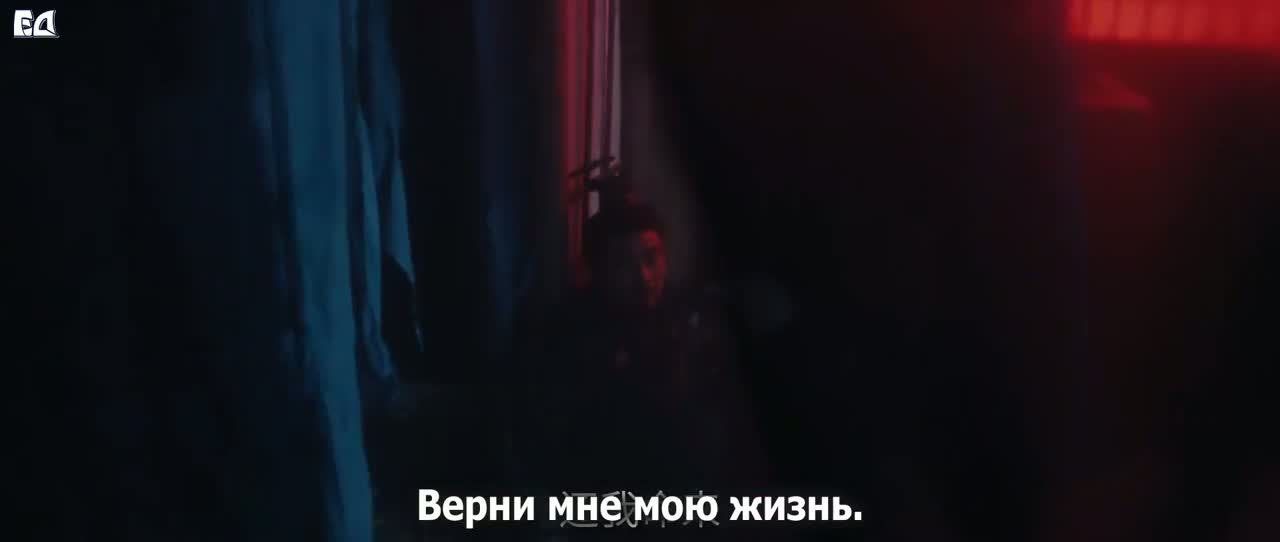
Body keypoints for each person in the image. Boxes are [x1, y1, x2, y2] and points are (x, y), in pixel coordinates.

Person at [524, 199, 765, 509]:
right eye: (623, 264)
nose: (644, 276)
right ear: (597, 269)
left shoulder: (690, 314)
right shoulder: (571, 332)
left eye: (652, 258)